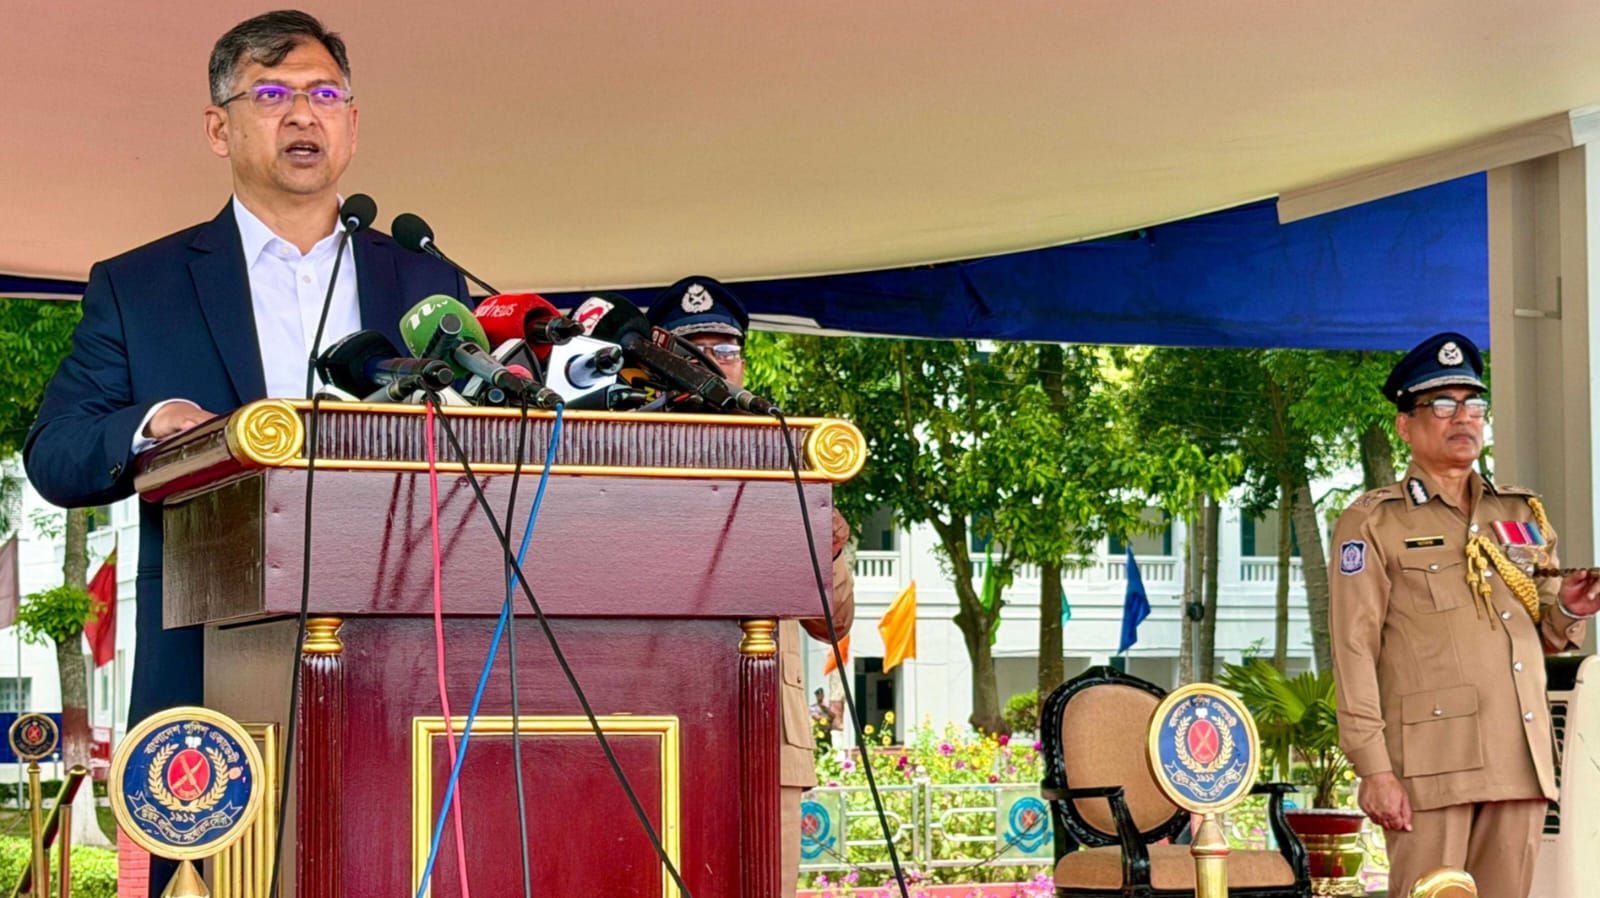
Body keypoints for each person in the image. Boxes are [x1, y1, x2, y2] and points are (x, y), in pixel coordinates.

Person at [24, 11, 466, 885]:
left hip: (404, 657)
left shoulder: (425, 276)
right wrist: (153, 426)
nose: (302, 114)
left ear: (352, 124)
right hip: (208, 660)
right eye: (271, 95)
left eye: (324, 95)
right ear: (218, 128)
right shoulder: (142, 285)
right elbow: (57, 451)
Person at [1329, 331, 1600, 898]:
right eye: (1442, 405)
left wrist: (1568, 609)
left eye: (1473, 404)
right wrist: (1374, 769)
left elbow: (1541, 632)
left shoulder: (1518, 512)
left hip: (1518, 759)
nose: (1463, 418)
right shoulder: (1375, 521)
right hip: (1431, 765)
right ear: (1405, 425)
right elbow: (1354, 650)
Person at [648, 275, 856, 898]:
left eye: (727, 350)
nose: (716, 364)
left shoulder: (786, 451)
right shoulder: (625, 444)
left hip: (768, 739)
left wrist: (829, 546)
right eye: (695, 352)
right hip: (655, 724)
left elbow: (831, 624)